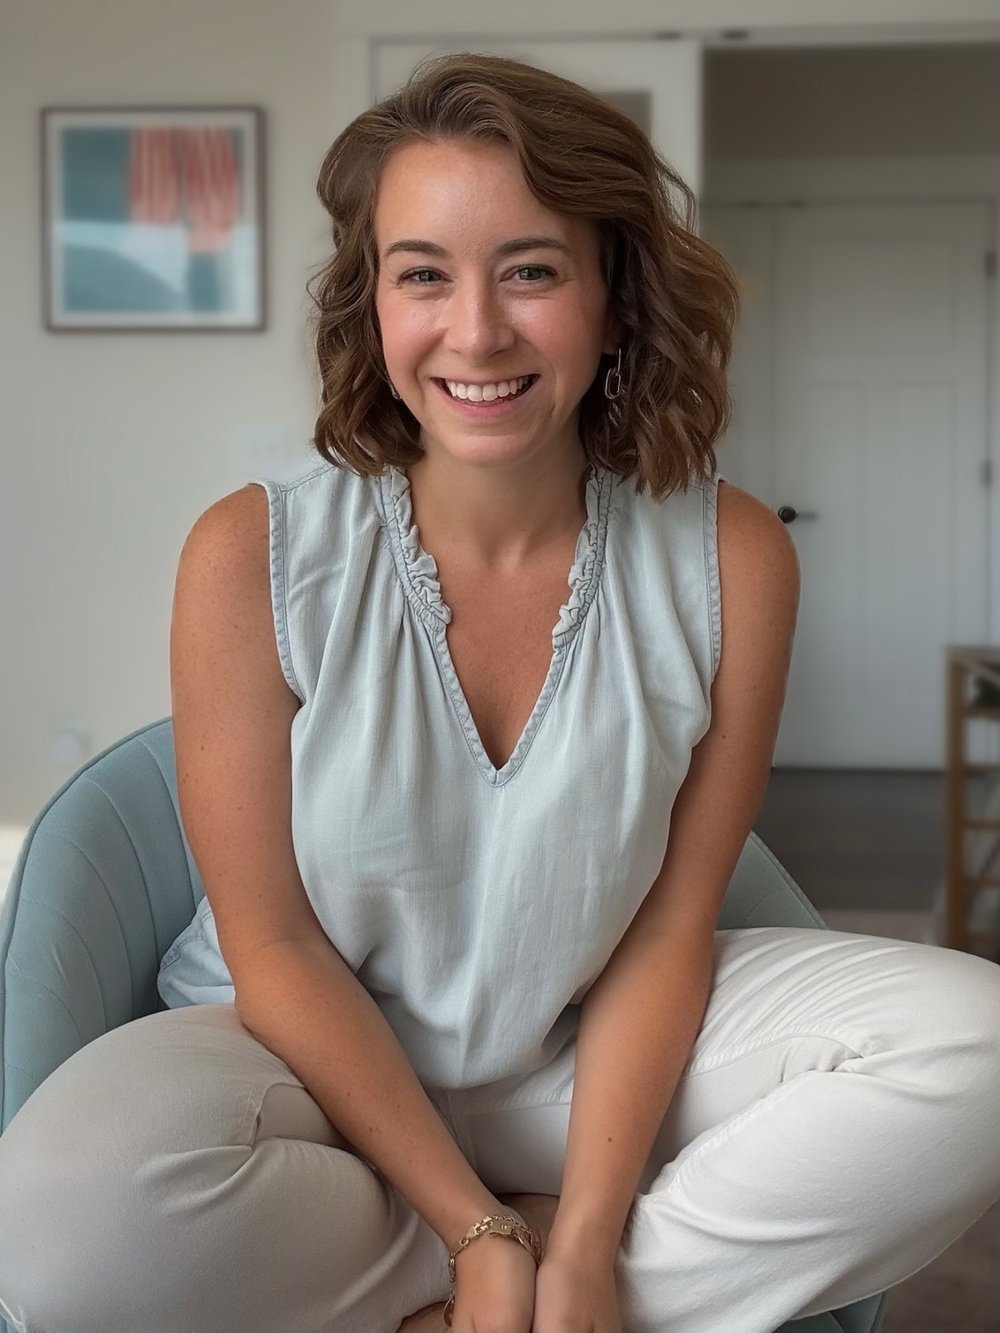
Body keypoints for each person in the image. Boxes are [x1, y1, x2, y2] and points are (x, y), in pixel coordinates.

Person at [2, 51, 1000, 1333]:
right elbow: (274, 948)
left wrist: (581, 1242)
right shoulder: (250, 555)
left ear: (615, 299)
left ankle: (556, 1289)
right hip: (296, 1067)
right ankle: (496, 1279)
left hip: (583, 1066)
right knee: (54, 1223)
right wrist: (475, 1230)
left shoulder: (731, 556)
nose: (475, 333)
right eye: (423, 274)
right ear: (371, 303)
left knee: (974, 1049)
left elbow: (667, 929)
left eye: (530, 270)